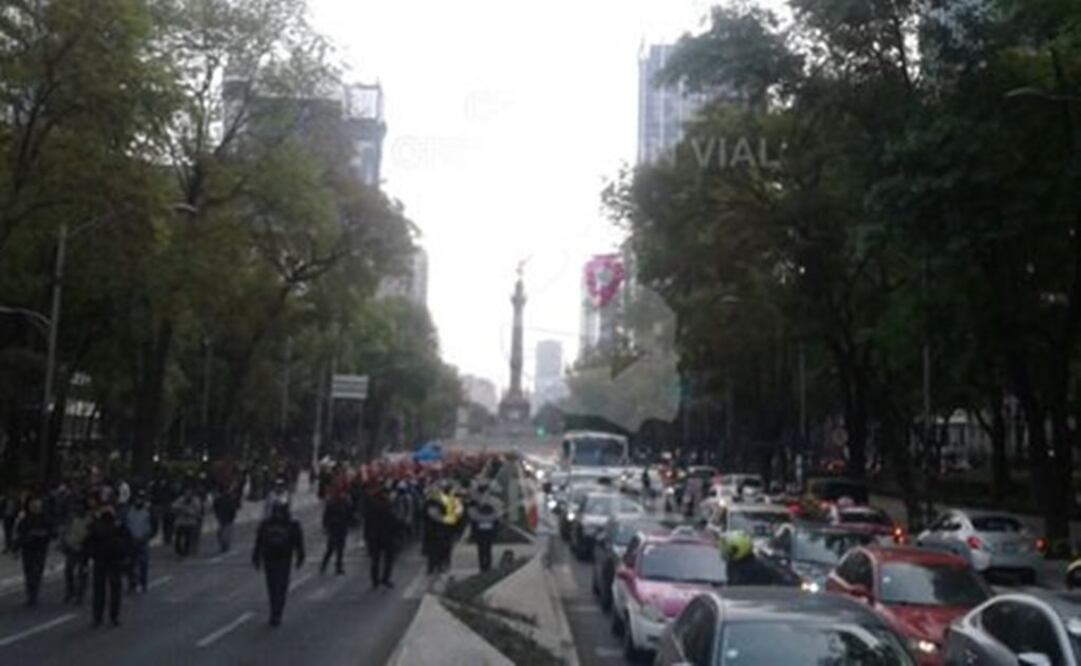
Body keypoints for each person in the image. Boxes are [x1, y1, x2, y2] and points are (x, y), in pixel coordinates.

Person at [252, 499, 305, 627]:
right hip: (284, 558)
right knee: (281, 586)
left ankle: (273, 611)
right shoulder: (292, 524)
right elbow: (299, 543)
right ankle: (277, 612)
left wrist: (256, 558)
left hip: (269, 558)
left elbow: (259, 542)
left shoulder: (266, 524)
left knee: (272, 586)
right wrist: (300, 557)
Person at [86, 505, 134, 627]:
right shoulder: (115, 526)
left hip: (108, 561)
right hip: (109, 561)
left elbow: (89, 543)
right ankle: (109, 617)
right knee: (110, 590)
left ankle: (101, 617)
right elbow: (128, 542)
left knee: (103, 590)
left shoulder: (111, 527)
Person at [14, 496, 54, 607]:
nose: (35, 508)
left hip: (40, 549)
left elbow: (51, 532)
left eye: (37, 506)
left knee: (36, 572)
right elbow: (20, 535)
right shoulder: (25, 520)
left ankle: (34, 595)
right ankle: (30, 595)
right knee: (28, 572)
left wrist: (43, 534)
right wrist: (16, 548)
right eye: (33, 506)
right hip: (27, 549)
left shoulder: (45, 519)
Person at [721, 532, 798, 586]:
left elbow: (784, 581)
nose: (727, 553)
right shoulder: (732, 564)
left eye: (730, 550)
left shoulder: (761, 567)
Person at [363, 481, 398, 588]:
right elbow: (393, 521)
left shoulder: (371, 506)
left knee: (375, 560)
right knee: (388, 559)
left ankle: (375, 580)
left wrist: (366, 536)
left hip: (374, 536)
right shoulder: (388, 506)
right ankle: (385, 579)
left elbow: (367, 522)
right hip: (387, 536)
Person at [124, 491, 157, 593]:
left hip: (143, 541)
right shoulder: (129, 512)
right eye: (137, 498)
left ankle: (143, 583)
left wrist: (148, 536)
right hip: (131, 541)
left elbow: (154, 526)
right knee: (130, 564)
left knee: (143, 564)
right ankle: (132, 584)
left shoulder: (148, 512)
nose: (138, 501)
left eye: (141, 499)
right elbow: (125, 526)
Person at [467, 479, 503, 573]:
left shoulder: (474, 501)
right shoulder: (494, 501)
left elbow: (471, 515)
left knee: (482, 548)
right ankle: (486, 566)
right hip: (488, 526)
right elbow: (498, 514)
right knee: (487, 547)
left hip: (480, 527)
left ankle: (483, 567)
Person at [60, 500, 91, 604]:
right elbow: (66, 531)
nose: (79, 509)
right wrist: (64, 543)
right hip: (71, 549)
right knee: (68, 571)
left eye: (81, 507)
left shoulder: (90, 520)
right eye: (77, 506)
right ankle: (70, 591)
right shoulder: (72, 518)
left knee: (82, 573)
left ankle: (80, 595)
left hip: (83, 550)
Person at [320, 490, 351, 575]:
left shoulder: (345, 503)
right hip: (334, 529)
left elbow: (348, 514)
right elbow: (326, 516)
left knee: (340, 549)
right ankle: (324, 565)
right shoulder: (331, 504)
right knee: (330, 549)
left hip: (342, 529)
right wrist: (327, 526)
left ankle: (338, 567)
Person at [171, 488, 202, 558]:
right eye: (186, 493)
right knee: (178, 537)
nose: (187, 495)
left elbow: (197, 510)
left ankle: (186, 551)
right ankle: (178, 551)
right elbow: (173, 505)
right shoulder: (181, 499)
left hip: (190, 522)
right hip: (181, 522)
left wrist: (189, 511)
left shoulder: (195, 500)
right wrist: (181, 508)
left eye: (189, 493)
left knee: (188, 538)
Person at [212, 487, 239, 553]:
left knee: (224, 534)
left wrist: (232, 517)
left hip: (226, 519)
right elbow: (215, 507)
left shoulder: (229, 500)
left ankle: (225, 546)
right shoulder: (220, 500)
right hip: (223, 519)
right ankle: (224, 545)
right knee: (221, 533)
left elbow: (233, 509)